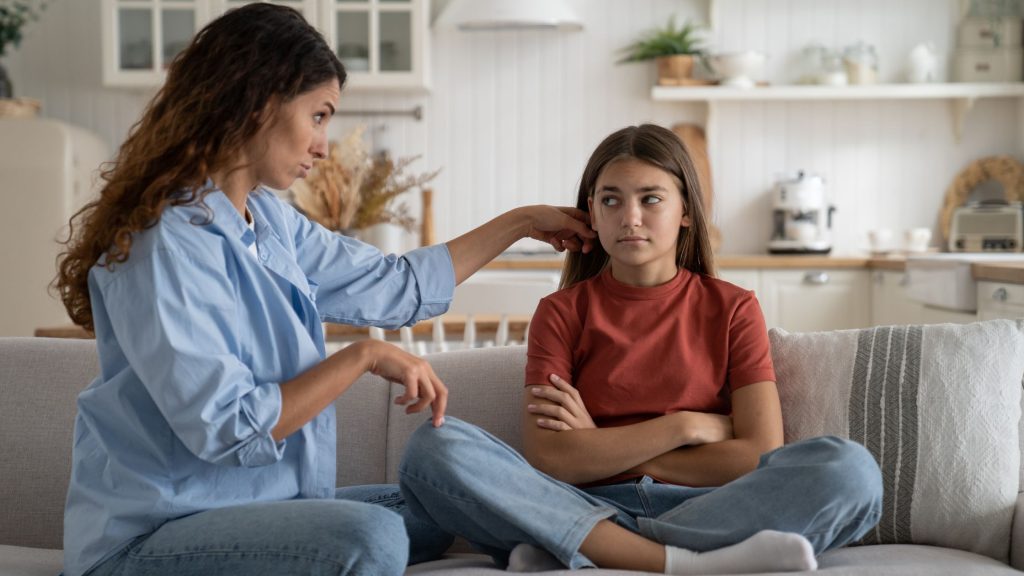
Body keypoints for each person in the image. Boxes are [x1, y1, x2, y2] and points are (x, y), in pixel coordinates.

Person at [53, 5, 595, 576]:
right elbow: (230, 426)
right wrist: (363, 355)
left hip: (259, 508)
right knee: (373, 535)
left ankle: (604, 537)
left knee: (436, 506)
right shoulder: (162, 242)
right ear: (260, 100)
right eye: (318, 115)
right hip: (154, 533)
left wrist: (520, 223)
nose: (323, 145)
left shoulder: (266, 218)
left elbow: (394, 286)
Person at [398, 124, 884, 574]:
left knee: (851, 470)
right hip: (582, 502)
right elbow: (551, 459)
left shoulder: (734, 308)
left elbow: (756, 453)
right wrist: (685, 427)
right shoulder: (562, 312)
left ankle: (586, 547)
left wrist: (605, 449)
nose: (630, 218)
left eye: (651, 199)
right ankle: (686, 562)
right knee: (434, 448)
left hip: (702, 506)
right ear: (591, 212)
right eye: (610, 201)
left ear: (686, 211)